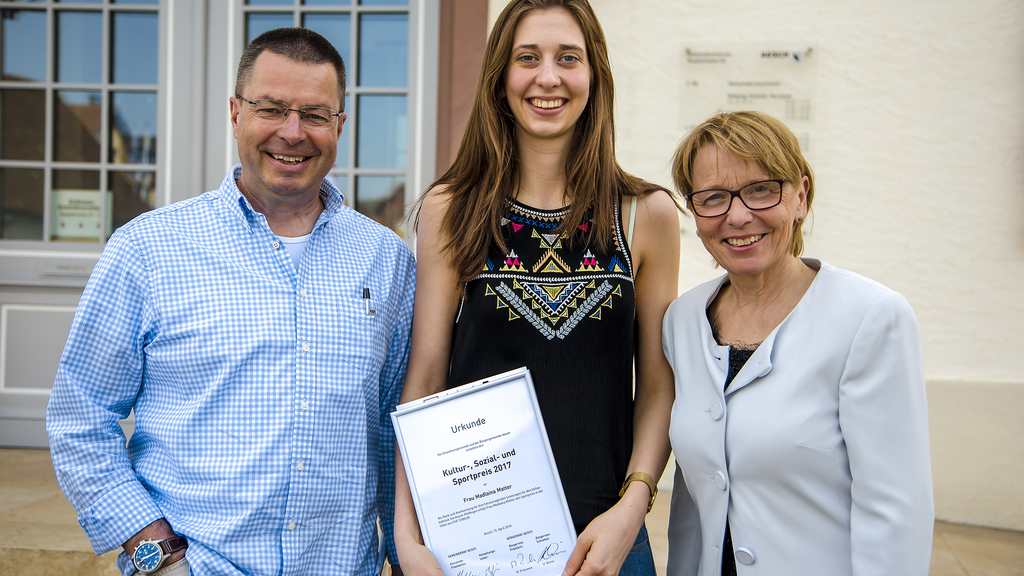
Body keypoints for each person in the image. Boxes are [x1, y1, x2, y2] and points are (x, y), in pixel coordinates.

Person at [46, 28, 415, 576]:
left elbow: (394, 435)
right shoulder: (147, 251)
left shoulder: (388, 260)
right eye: (271, 108)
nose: (293, 133)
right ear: (236, 114)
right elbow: (80, 415)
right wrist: (156, 554)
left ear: (340, 126)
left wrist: (406, 557)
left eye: (314, 115)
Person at [391, 1, 680, 575]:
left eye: (567, 58)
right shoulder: (453, 210)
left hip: (606, 544)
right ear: (500, 79)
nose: (548, 77)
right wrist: (407, 536)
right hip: (472, 551)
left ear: (594, 76)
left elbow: (657, 385)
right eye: (528, 58)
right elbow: (423, 380)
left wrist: (634, 505)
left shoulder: (645, 214)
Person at [662, 110, 934, 576]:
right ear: (695, 213)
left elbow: (895, 512)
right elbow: (694, 496)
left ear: (801, 197)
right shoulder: (683, 321)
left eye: (761, 189)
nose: (739, 215)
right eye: (713, 198)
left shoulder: (869, 317)